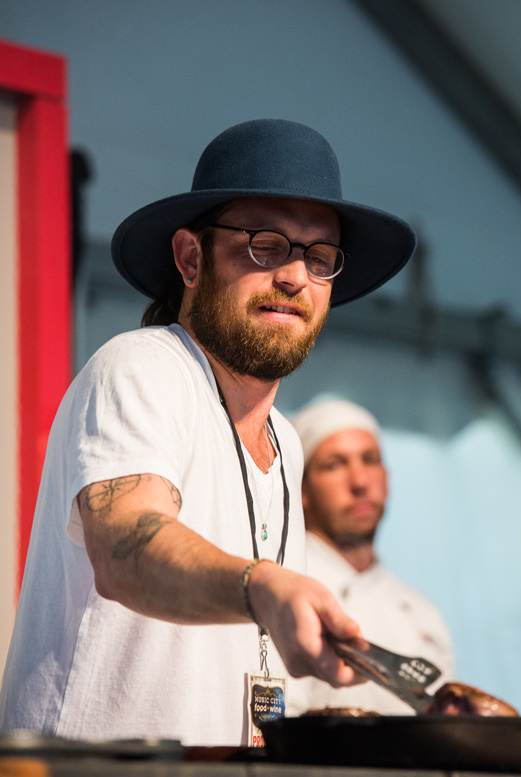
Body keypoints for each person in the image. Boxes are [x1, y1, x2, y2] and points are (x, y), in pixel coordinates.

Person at [0, 119, 416, 746]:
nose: (296, 277)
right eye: (265, 245)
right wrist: (262, 587)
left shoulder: (287, 441)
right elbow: (123, 550)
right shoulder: (143, 365)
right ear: (191, 258)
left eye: (319, 256)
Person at [287, 399, 455, 715]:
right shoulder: (283, 589)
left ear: (387, 479)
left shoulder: (423, 615)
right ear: (301, 490)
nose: (360, 482)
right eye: (334, 464)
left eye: (370, 460)